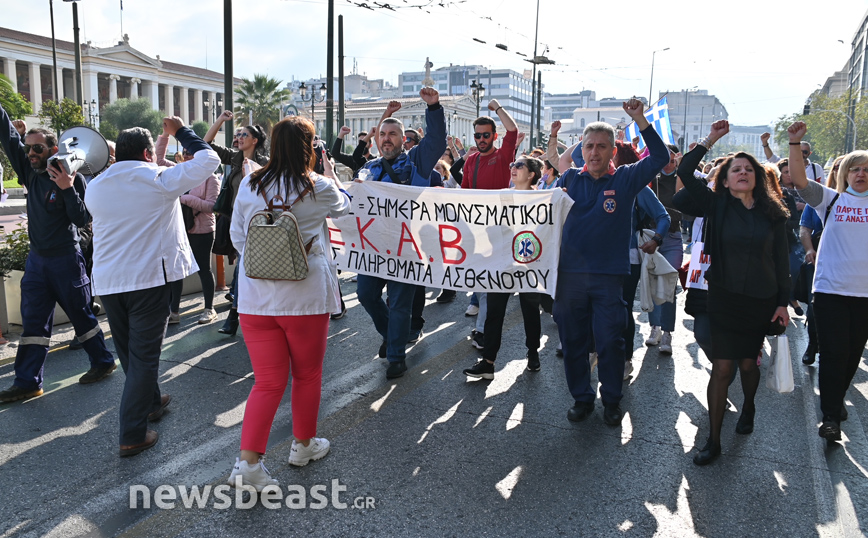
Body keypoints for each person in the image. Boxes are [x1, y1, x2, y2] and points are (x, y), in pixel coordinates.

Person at [225, 115, 350, 488]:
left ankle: (247, 465)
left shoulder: (251, 183)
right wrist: (328, 170)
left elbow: (237, 236)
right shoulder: (319, 186)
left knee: (266, 383)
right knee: (307, 375)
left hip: (255, 297)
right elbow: (344, 206)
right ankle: (303, 444)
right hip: (305, 296)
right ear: (309, 147)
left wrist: (266, 261)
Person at [85, 117, 219, 456]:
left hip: (109, 282)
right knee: (144, 357)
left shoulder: (96, 185)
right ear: (147, 154)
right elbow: (210, 159)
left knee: (130, 352)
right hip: (148, 280)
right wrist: (180, 132)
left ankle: (152, 401)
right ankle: (132, 433)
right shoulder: (159, 179)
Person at [678, 120, 790, 465]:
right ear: (725, 180)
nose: (742, 172)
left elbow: (782, 261)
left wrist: (782, 303)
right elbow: (684, 170)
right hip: (723, 298)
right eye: (735, 169)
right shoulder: (717, 206)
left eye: (748, 169)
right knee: (723, 367)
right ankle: (713, 441)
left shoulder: (774, 214)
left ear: (757, 177)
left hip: (760, 301)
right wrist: (711, 139)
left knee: (747, 364)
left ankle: (749, 406)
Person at [553, 99, 669, 427]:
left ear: (612, 152)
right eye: (589, 146)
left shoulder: (626, 180)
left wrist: (640, 119)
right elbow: (540, 214)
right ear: (581, 151)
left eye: (601, 146)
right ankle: (582, 398)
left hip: (608, 278)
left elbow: (660, 158)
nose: (594, 152)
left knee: (610, 342)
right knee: (573, 342)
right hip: (569, 278)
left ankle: (612, 400)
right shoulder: (568, 180)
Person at [0, 104, 116, 403]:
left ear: (53, 149)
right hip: (37, 262)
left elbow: (82, 219)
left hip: (66, 259)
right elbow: (7, 136)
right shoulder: (29, 171)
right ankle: (28, 382)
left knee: (81, 316)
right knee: (33, 323)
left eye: (37, 148)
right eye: (28, 148)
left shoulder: (72, 177)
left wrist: (66, 188)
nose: (30, 153)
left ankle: (103, 362)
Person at [355, 88, 446, 379]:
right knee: (365, 294)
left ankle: (396, 356)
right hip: (373, 248)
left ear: (403, 139)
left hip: (406, 247)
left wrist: (434, 108)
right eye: (382, 134)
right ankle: (391, 334)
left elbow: (436, 141)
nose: (386, 139)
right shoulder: (369, 169)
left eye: (393, 134)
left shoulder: (416, 163)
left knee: (399, 304)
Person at [786, 121, 868, 443]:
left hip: (864, 296)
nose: (861, 174)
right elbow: (799, 180)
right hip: (830, 291)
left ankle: (835, 398)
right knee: (834, 353)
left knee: (851, 356)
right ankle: (831, 416)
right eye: (855, 169)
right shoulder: (830, 200)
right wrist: (795, 143)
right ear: (845, 173)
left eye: (867, 169)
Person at [463, 156, 545, 378]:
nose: (513, 168)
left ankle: (533, 352)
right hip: (501, 264)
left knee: (530, 310)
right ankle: (488, 362)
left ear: (531, 175)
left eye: (519, 166)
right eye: (512, 165)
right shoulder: (501, 196)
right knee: (494, 311)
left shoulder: (542, 199)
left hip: (528, 264)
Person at [204, 112, 269, 335]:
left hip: (257, 224)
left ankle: (234, 316)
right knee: (244, 268)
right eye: (238, 135)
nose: (239, 138)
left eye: (244, 135)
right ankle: (253, 313)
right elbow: (207, 143)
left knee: (243, 267)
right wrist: (221, 120)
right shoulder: (234, 158)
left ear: (255, 140)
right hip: (235, 222)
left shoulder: (265, 163)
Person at [461, 99, 519, 351]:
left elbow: (513, 130)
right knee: (481, 283)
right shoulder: (471, 160)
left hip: (499, 228)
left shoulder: (503, 156)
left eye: (486, 135)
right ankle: (484, 329)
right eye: (478, 135)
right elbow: (463, 193)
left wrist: (497, 109)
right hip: (475, 228)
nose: (482, 139)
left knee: (489, 285)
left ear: (495, 136)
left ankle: (484, 331)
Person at [154, 131, 220, 324]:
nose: (187, 155)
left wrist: (184, 198)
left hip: (201, 230)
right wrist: (165, 135)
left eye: (191, 152)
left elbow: (211, 206)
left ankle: (209, 308)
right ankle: (173, 312)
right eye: (185, 152)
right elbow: (159, 160)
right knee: (175, 271)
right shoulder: (179, 171)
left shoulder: (211, 178)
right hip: (179, 229)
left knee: (204, 270)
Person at [645, 145, 685, 355]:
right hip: (651, 237)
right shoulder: (651, 179)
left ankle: (668, 332)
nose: (668, 164)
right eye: (664, 159)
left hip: (672, 238)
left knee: (668, 284)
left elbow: (683, 209)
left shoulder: (680, 179)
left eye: (672, 160)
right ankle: (655, 327)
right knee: (653, 283)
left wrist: (663, 213)